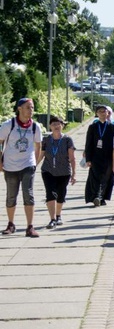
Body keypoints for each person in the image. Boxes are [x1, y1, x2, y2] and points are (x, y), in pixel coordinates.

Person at [0, 98, 44, 237]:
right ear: (19, 108)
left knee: (28, 194)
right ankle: (11, 224)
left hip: (27, 165)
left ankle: (30, 227)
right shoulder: (9, 125)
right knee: (11, 196)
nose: (31, 110)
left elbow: (38, 145)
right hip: (10, 165)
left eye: (32, 107)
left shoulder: (35, 127)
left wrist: (34, 163)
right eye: (28, 107)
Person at [39, 115, 76, 229]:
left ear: (62, 126)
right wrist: (34, 165)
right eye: (53, 124)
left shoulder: (67, 140)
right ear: (50, 126)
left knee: (61, 194)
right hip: (48, 171)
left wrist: (74, 173)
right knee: (50, 193)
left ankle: (58, 215)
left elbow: (72, 158)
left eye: (58, 124)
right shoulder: (46, 139)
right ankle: (52, 219)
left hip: (64, 172)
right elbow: (41, 154)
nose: (56, 126)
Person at [84, 105, 114, 208]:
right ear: (97, 114)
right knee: (95, 176)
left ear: (108, 113)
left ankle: (101, 197)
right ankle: (96, 196)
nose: (102, 113)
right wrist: (88, 158)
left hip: (108, 156)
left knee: (106, 177)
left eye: (104, 111)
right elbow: (88, 143)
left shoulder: (112, 127)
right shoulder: (93, 127)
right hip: (96, 156)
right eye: (100, 111)